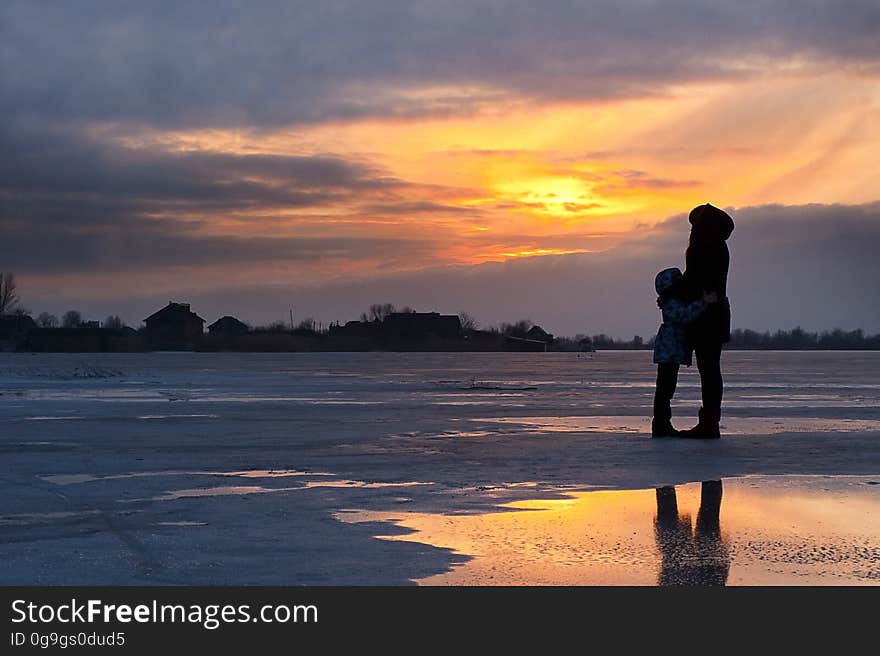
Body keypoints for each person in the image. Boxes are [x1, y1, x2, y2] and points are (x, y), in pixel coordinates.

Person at [678, 203, 735, 438]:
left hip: (707, 315)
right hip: (712, 313)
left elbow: (695, 280)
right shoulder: (715, 246)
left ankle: (709, 423)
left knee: (709, 368)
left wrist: (674, 291)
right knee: (709, 368)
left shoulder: (708, 247)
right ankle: (709, 420)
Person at [651, 267, 718, 437]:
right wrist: (704, 302)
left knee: (666, 388)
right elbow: (685, 315)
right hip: (668, 352)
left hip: (671, 352)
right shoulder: (672, 303)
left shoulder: (673, 301)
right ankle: (661, 424)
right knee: (664, 389)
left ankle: (662, 423)